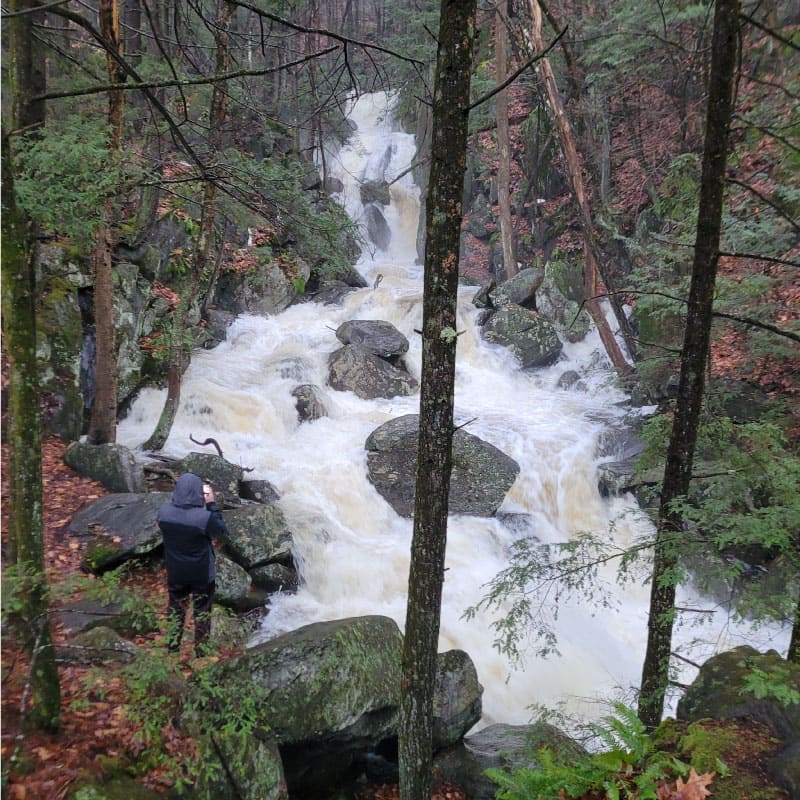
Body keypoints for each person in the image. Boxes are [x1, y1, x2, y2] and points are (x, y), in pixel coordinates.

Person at [157, 472, 228, 655]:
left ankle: (172, 649)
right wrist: (211, 503)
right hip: (201, 572)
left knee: (176, 609)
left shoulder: (164, 513)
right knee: (202, 611)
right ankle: (201, 652)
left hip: (176, 570)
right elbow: (220, 530)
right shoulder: (203, 518)